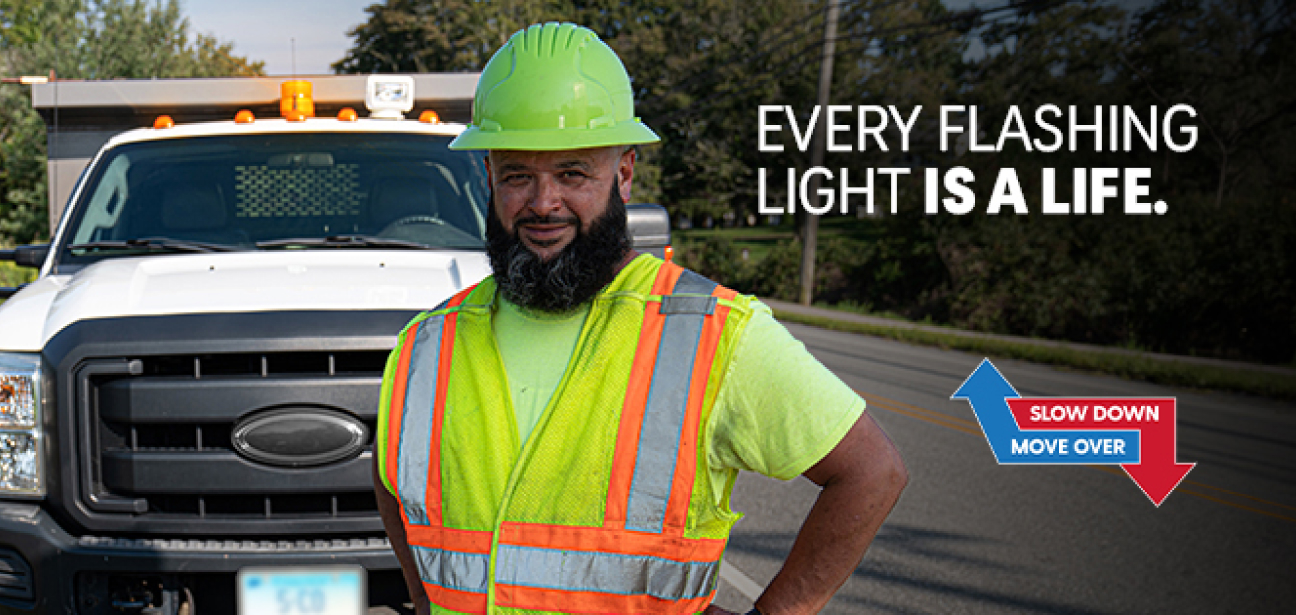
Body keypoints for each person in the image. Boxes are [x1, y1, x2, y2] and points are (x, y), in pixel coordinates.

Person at [374, 22, 907, 615]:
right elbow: (393, 480)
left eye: (573, 173)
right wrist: (423, 600)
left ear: (624, 174)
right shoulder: (428, 343)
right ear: (489, 176)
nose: (543, 203)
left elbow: (872, 471)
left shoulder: (711, 331)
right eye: (518, 174)